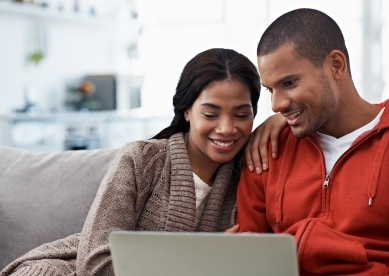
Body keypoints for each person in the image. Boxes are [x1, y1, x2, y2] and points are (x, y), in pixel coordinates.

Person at [0, 48, 261, 276]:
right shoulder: (141, 159)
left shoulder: (251, 177)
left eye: (241, 114)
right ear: (187, 110)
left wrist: (278, 120)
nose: (227, 128)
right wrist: (204, 258)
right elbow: (95, 264)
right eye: (210, 114)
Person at [236, 8, 389, 276]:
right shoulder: (267, 151)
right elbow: (247, 258)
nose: (276, 105)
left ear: (336, 65)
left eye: (289, 83)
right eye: (271, 90)